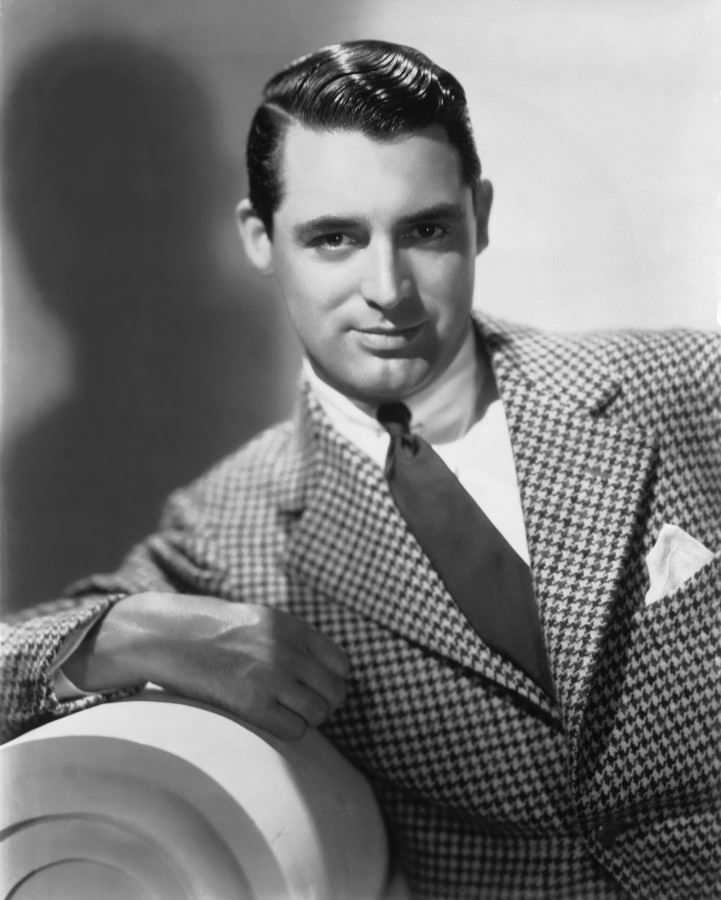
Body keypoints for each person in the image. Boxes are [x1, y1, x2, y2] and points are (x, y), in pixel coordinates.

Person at [1, 39, 719, 900]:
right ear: (260, 241)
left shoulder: (680, 388)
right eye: (333, 238)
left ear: (478, 216)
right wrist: (127, 633)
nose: (388, 288)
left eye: (424, 230)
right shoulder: (231, 528)